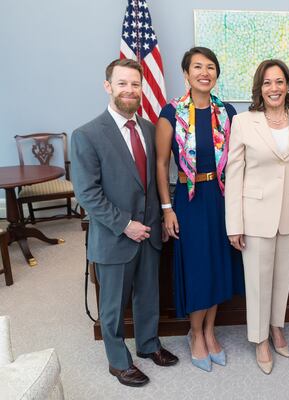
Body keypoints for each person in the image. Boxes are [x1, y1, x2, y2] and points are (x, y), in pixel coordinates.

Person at [71, 58, 178, 387]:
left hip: (150, 232)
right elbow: (87, 194)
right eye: (122, 84)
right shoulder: (87, 135)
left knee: (148, 295)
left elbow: (159, 177)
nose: (129, 90)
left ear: (142, 88)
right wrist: (125, 224)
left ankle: (148, 345)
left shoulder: (149, 128)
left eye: (135, 84)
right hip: (116, 235)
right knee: (114, 305)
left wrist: (160, 214)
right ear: (108, 86)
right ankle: (118, 361)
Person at [225, 59, 289, 374]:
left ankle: (277, 326)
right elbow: (234, 175)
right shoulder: (243, 122)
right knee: (258, 281)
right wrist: (234, 224)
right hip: (255, 216)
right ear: (259, 88)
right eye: (267, 83)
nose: (274, 88)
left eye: (279, 82)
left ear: (288, 86)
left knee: (283, 278)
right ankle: (260, 338)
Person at [156, 47, 244, 372]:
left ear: (216, 74)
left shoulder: (227, 111)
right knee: (198, 269)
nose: (204, 72)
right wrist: (167, 209)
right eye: (197, 67)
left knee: (219, 265)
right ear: (186, 73)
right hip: (189, 201)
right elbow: (162, 164)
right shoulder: (172, 113)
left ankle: (210, 331)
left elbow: (237, 160)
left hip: (220, 197)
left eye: (210, 67)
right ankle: (195, 334)